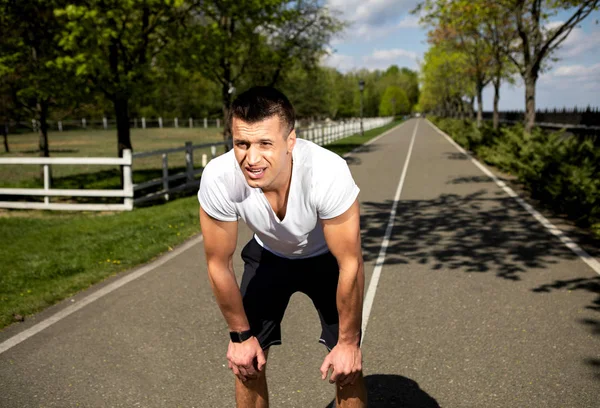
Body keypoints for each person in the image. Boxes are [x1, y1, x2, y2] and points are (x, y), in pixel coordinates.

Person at [198, 86, 367, 408]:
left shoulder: (327, 173)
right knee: (246, 365)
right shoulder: (219, 177)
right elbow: (218, 263)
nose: (251, 158)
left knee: (348, 367)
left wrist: (348, 342)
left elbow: (350, 263)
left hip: (326, 261)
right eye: (241, 144)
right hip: (269, 256)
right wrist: (239, 337)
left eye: (265, 144)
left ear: (291, 141)